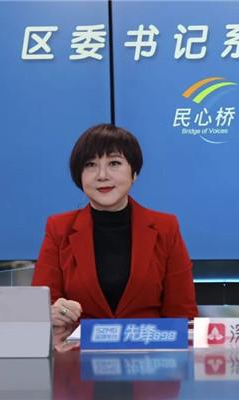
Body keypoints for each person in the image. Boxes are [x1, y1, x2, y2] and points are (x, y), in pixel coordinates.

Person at [32, 124, 197, 328]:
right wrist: (53, 313)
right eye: (90, 165)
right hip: (78, 346)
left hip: (149, 346)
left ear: (134, 173)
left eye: (114, 163)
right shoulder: (59, 228)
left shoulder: (166, 228)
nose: (102, 175)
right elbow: (40, 309)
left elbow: (182, 315)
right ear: (79, 175)